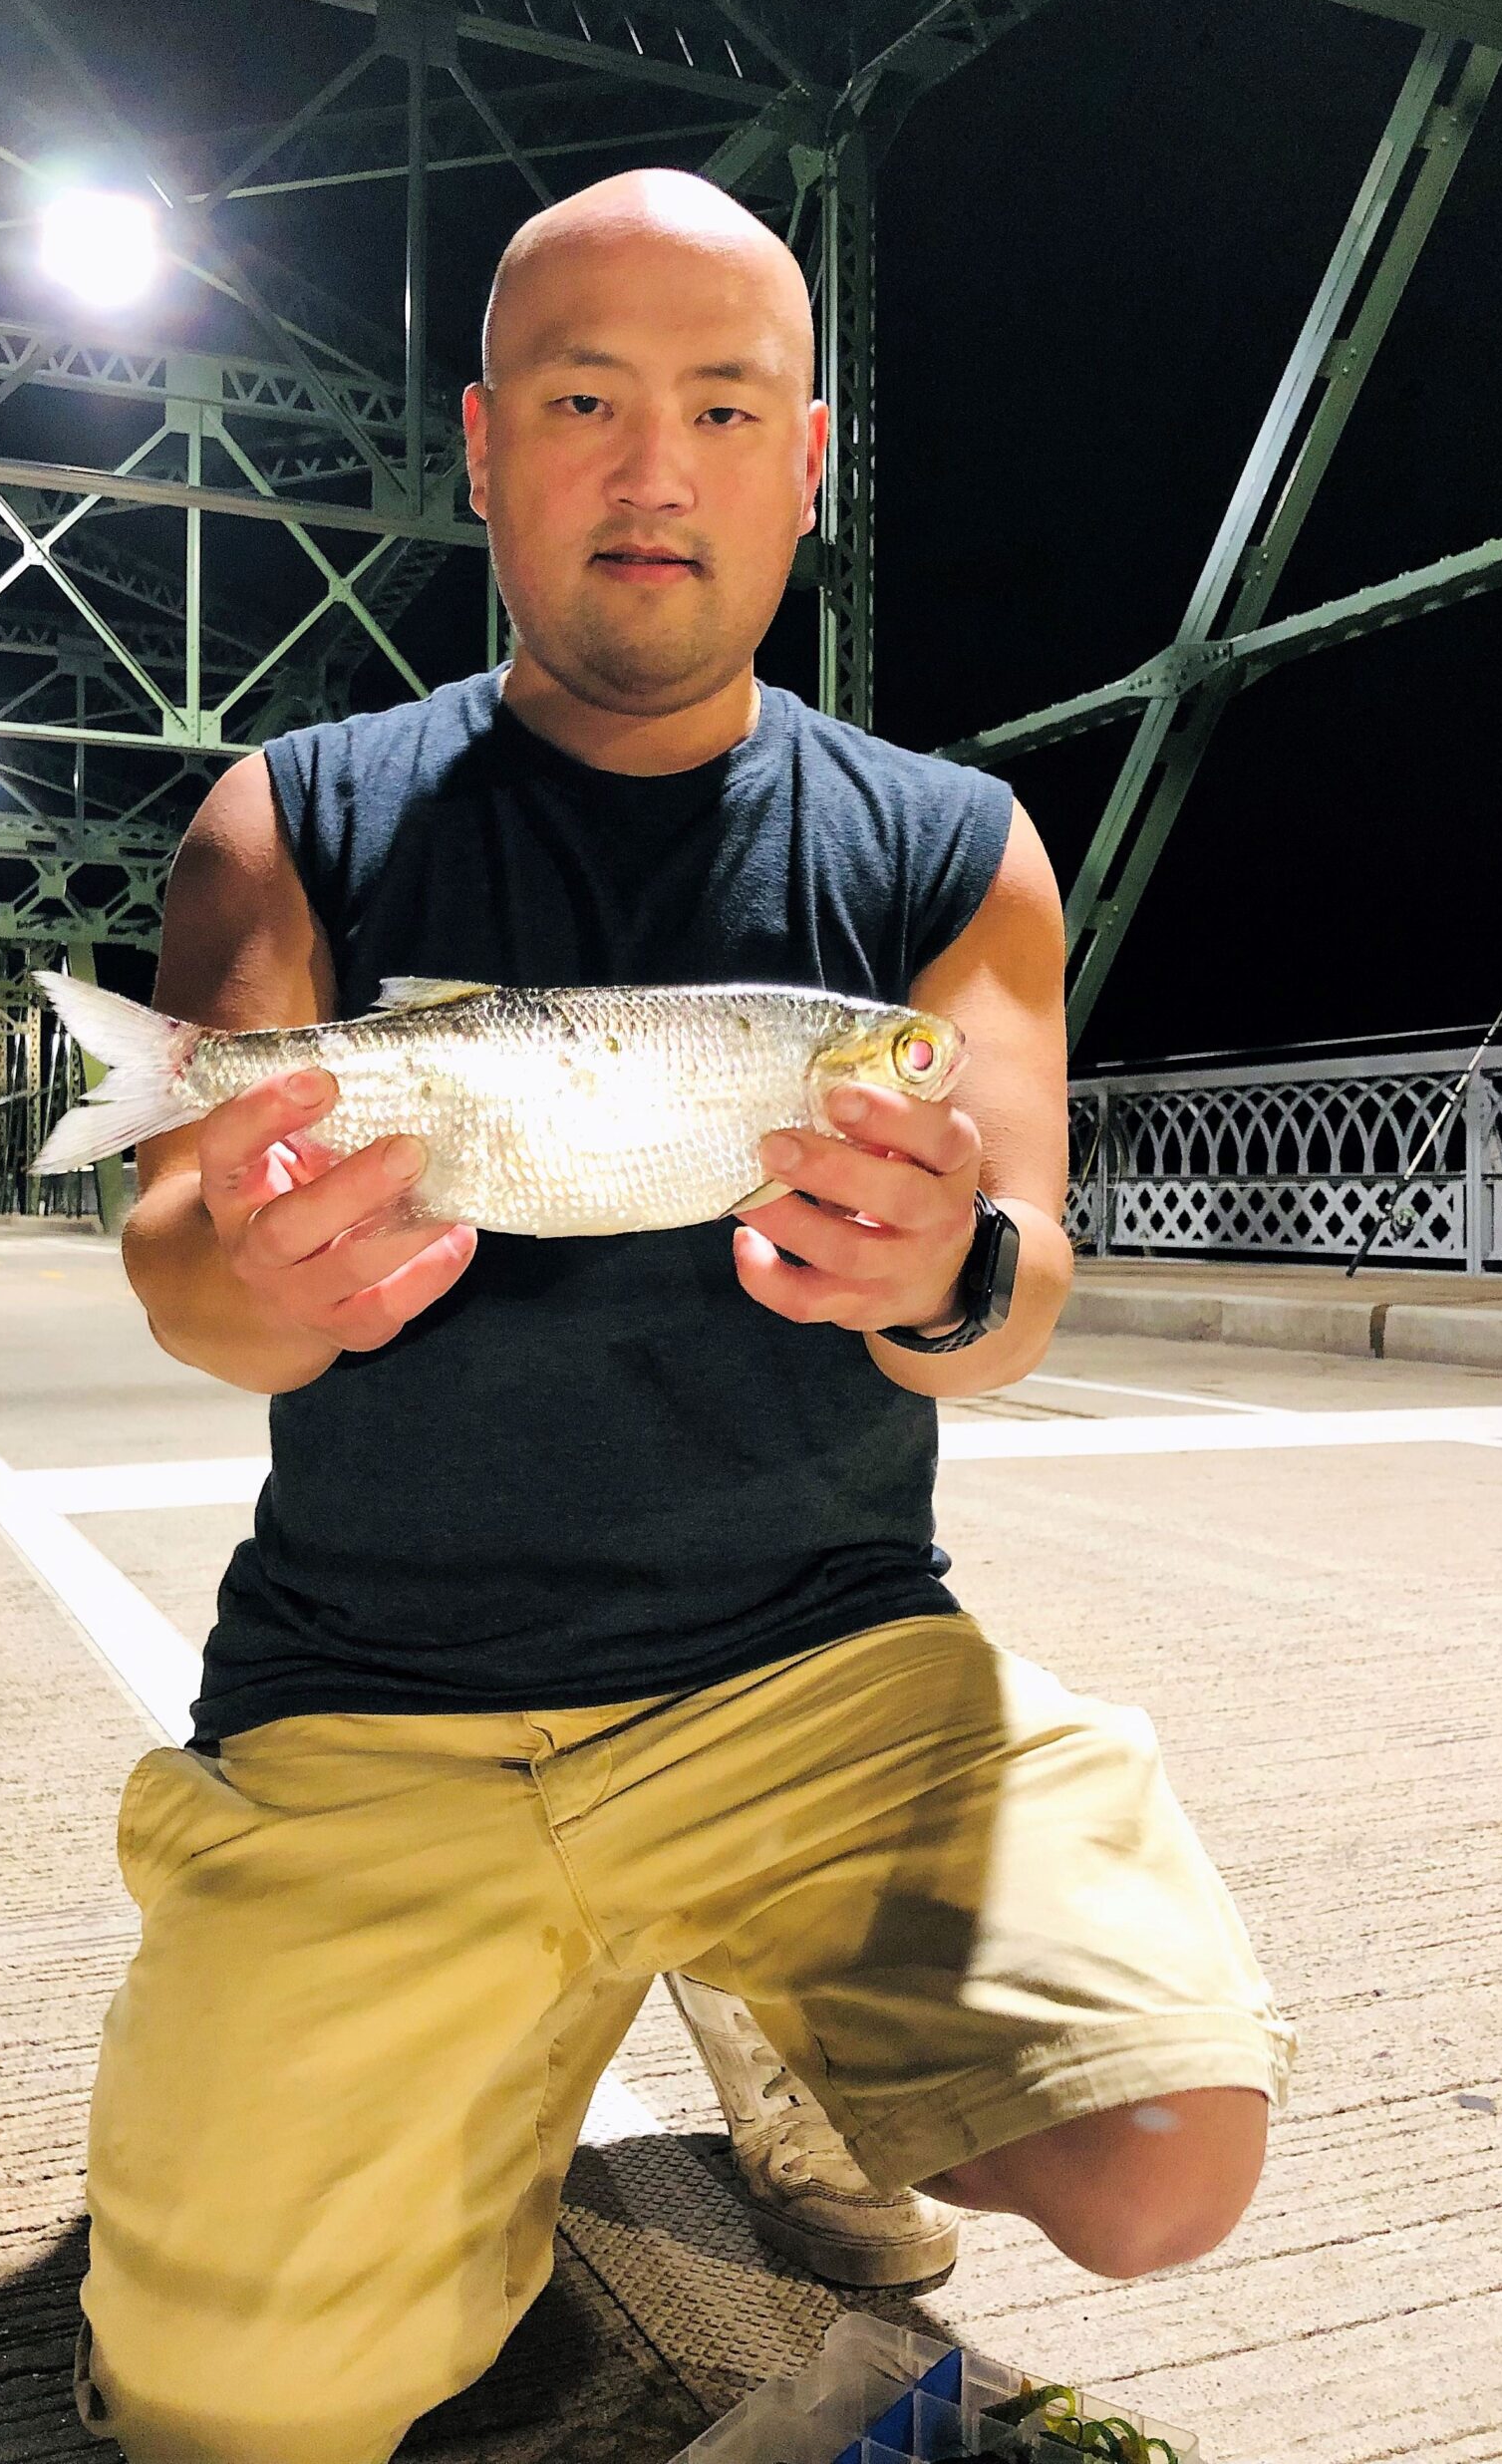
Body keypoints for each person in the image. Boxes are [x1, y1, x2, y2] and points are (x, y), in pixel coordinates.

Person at [74, 168, 1295, 2464]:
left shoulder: (956, 845)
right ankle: (451, 2085)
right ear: (479, 440)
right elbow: (180, 1259)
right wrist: (253, 1273)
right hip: (378, 1690)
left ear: (810, 463)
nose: (655, 466)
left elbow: (1021, 1281)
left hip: (815, 1663)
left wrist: (948, 1275)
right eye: (584, 398)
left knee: (1161, 2156)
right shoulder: (289, 817)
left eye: (726, 406)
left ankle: (777, 2007)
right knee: (225, 2416)